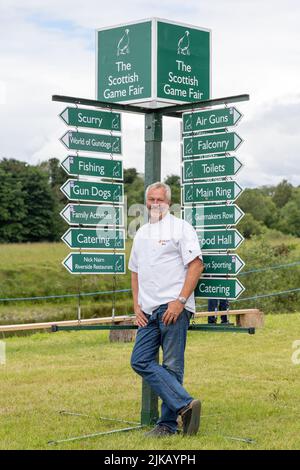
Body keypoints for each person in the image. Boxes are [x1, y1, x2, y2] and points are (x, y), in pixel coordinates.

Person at [129, 182, 204, 437]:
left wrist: (180, 300)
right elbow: (135, 272)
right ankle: (185, 404)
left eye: (160, 199)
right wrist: (136, 305)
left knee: (172, 365)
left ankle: (167, 425)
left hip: (173, 307)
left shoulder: (181, 228)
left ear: (168, 203)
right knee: (139, 360)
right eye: (151, 199)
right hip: (148, 311)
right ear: (146, 202)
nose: (155, 204)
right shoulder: (141, 233)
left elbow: (196, 265)